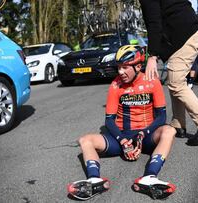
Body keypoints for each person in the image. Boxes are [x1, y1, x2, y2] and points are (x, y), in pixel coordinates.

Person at [67, 45, 177, 200]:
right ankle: (94, 180)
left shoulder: (152, 82)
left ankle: (149, 177)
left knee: (169, 131)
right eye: (119, 68)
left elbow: (161, 117)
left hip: (145, 136)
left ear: (138, 66)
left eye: (125, 68)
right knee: (85, 140)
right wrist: (123, 141)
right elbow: (109, 121)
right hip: (121, 137)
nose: (120, 72)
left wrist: (142, 134)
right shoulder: (115, 85)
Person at [139, 0, 198, 145]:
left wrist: (152, 56)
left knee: (176, 83)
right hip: (187, 33)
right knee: (174, 79)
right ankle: (178, 125)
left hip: (186, 36)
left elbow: (154, 23)